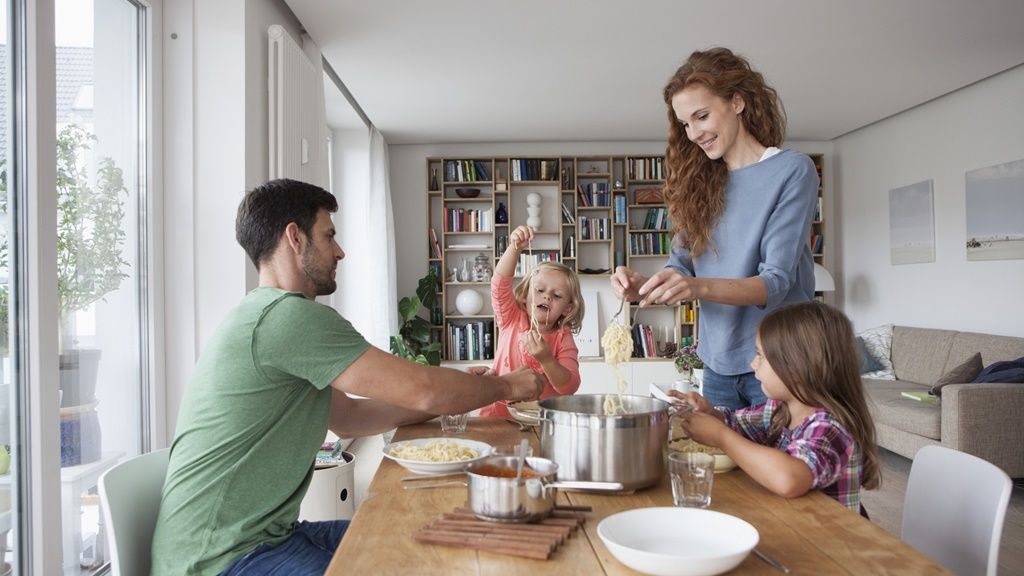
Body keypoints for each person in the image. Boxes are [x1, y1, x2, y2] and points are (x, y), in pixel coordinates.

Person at [150, 179, 543, 576]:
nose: (340, 251)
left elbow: (351, 419)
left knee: (419, 539)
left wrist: (460, 395)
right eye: (329, 235)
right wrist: (506, 385)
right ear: (294, 237)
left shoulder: (264, 315)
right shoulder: (288, 318)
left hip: (263, 539)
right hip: (223, 560)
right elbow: (423, 390)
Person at [611, 47, 819, 410]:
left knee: (777, 466)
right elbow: (681, 265)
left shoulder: (792, 170)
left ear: (737, 101)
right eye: (685, 124)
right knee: (720, 466)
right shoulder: (701, 183)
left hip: (778, 362)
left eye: (701, 116)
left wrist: (695, 286)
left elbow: (776, 282)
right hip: (717, 362)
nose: (693, 133)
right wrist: (644, 287)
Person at [669, 302, 880, 515]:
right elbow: (736, 423)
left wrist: (721, 437)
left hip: (833, 541)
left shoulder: (830, 427)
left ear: (796, 368)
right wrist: (710, 413)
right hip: (794, 524)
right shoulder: (780, 409)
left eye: (760, 355)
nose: (753, 364)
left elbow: (788, 479)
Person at [475, 225, 583, 419]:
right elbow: (499, 284)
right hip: (496, 416)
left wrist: (547, 359)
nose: (547, 297)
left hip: (539, 423)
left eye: (557, 295)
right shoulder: (511, 319)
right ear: (525, 296)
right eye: (540, 290)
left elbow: (570, 386)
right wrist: (515, 248)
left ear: (567, 308)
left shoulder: (562, 337)